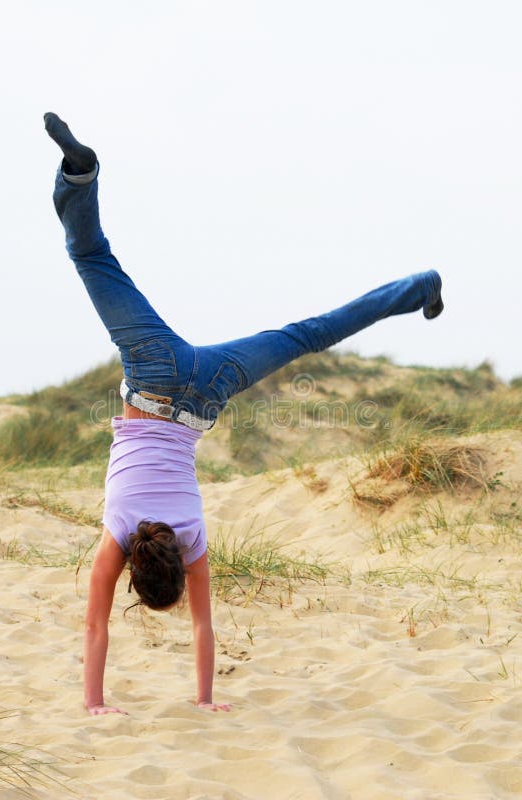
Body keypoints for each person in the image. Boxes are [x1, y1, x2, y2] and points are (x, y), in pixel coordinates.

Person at [44, 112, 444, 715]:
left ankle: (418, 287)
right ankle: (80, 175)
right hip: (153, 374)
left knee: (307, 334)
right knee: (92, 258)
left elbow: (205, 629)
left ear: (174, 569)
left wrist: (207, 701)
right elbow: (95, 630)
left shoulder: (194, 542)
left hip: (207, 388)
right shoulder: (118, 536)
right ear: (134, 570)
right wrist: (94, 704)